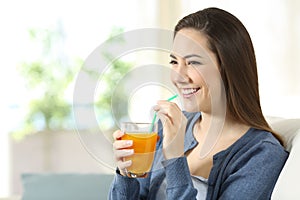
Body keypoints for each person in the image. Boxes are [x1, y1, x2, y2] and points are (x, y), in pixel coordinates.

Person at [109, 7, 288, 199]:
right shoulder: (166, 127)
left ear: (228, 67)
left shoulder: (261, 155)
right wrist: (126, 174)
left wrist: (175, 157)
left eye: (193, 62)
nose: (178, 76)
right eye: (174, 62)